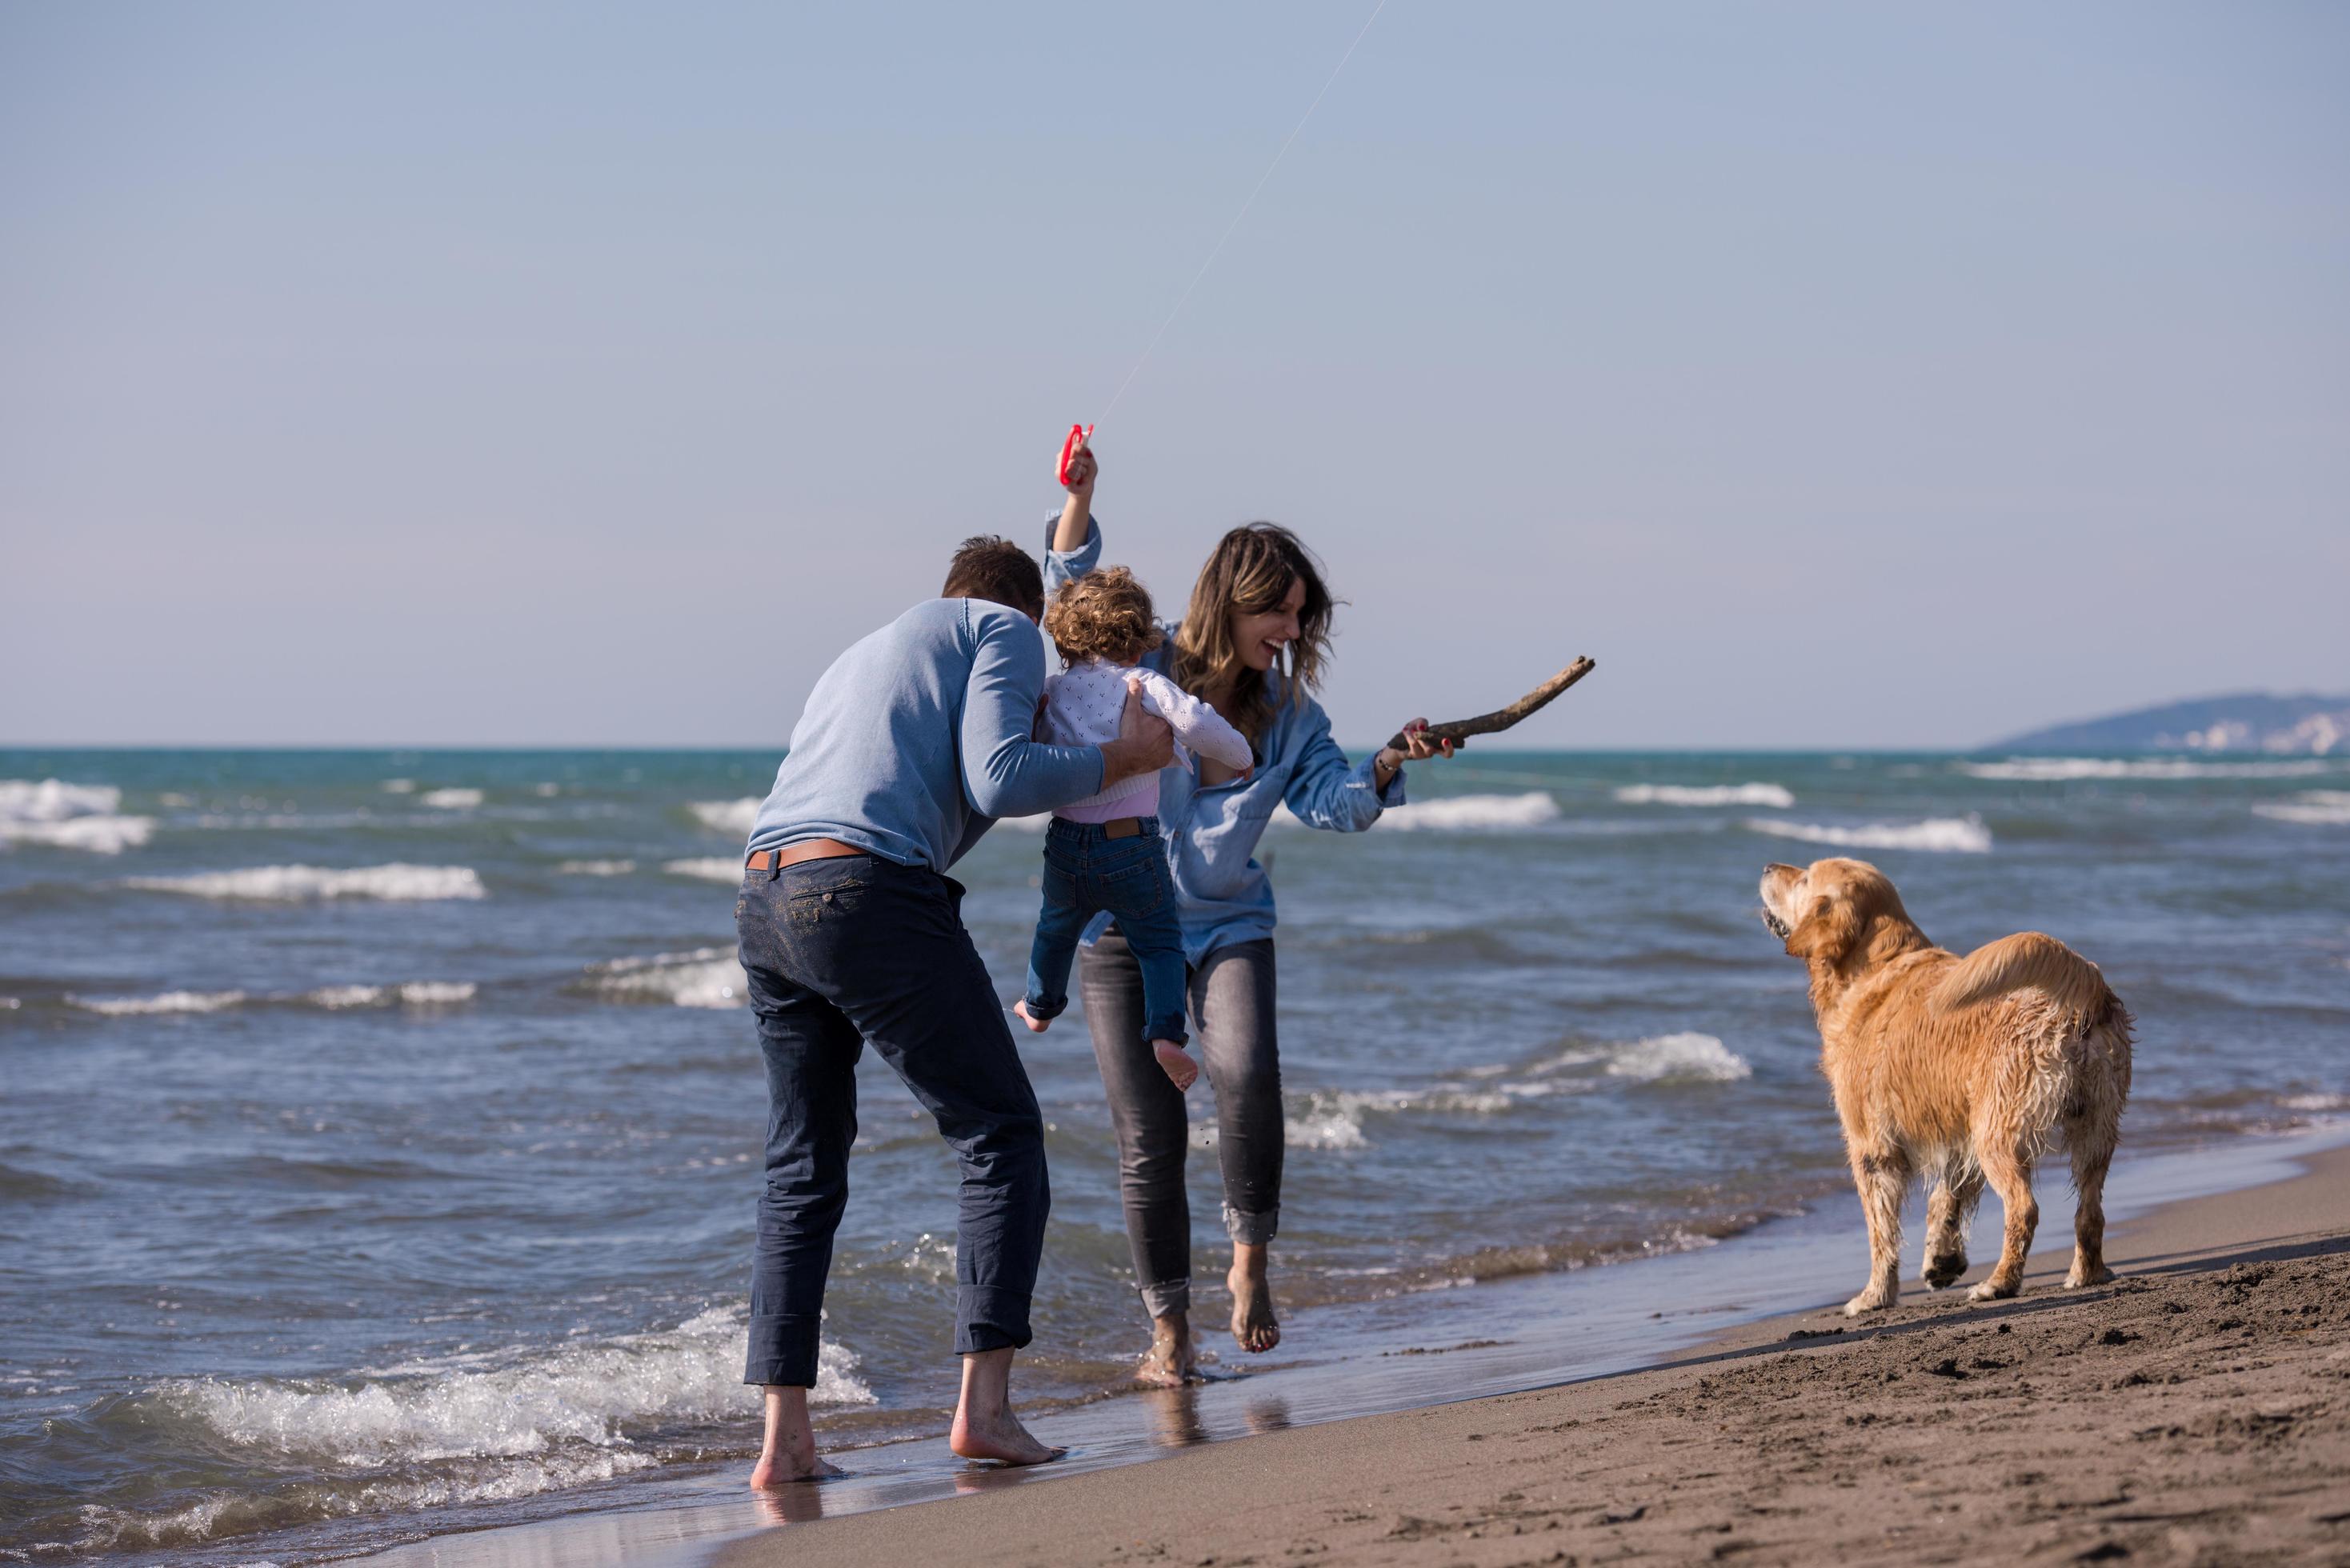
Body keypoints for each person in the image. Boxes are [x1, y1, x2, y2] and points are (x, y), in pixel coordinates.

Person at [734, 532, 1175, 1483]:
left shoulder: (871, 649)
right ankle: (986, 1411)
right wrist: (1119, 754)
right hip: (864, 887)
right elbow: (1000, 775)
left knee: (801, 1167)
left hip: (765, 892)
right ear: (1016, 611)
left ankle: (786, 1442)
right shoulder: (1003, 631)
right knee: (1002, 1132)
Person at [1043, 441, 1457, 1386]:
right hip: (1122, 921)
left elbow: (1337, 805)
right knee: (1148, 1135)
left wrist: (1390, 761)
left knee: (1247, 1070)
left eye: (1299, 617)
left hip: (1230, 921)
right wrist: (1081, 495)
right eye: (1278, 611)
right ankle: (1169, 1338)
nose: (1288, 629)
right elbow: (1067, 584)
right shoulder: (1142, 656)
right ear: (1231, 598)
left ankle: (1250, 1261)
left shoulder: (1292, 715)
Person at [1011, 566, 1255, 1092]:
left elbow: (1029, 739)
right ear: (1138, 640)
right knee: (1160, 945)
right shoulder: (1142, 683)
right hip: (1132, 844)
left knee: (1054, 929)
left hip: (1066, 844)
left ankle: (1038, 1005)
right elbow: (1196, 723)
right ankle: (1165, 1034)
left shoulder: (1052, 689)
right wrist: (1239, 756)